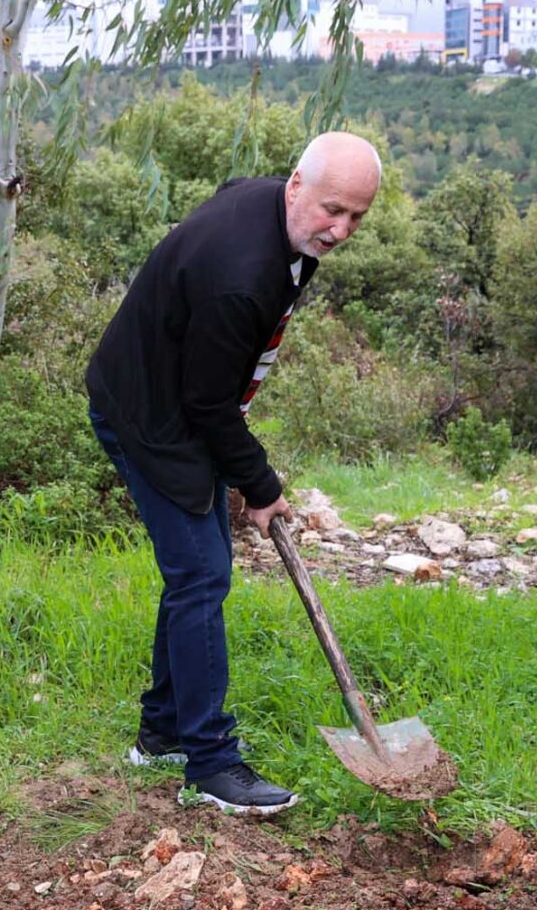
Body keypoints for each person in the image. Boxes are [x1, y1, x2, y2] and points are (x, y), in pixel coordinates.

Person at [84, 133, 382, 816]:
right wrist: (262, 485)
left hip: (175, 399)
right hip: (152, 417)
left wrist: (244, 472)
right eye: (332, 210)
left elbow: (211, 395)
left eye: (356, 216)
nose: (341, 230)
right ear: (297, 185)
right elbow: (209, 406)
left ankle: (162, 732)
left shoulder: (274, 211)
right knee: (202, 574)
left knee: (199, 569)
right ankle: (211, 763)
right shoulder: (241, 279)